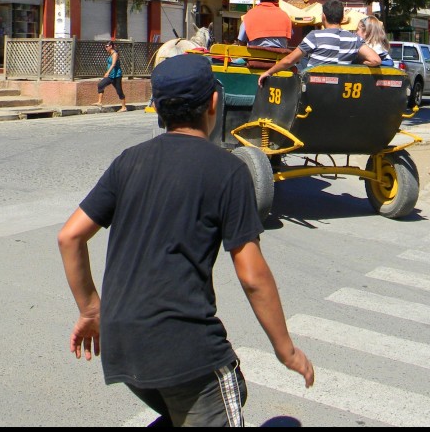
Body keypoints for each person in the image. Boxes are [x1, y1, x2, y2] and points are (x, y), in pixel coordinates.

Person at [58, 54, 314, 426]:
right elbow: (253, 276)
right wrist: (286, 350)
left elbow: (70, 236)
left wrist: (91, 309)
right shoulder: (228, 170)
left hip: (123, 346)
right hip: (186, 348)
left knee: (218, 396)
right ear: (214, 103)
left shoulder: (128, 162)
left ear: (158, 109)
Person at [257, 0, 381, 87]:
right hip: (340, 88)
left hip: (313, 88)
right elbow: (375, 60)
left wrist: (269, 72)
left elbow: (290, 60)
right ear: (342, 17)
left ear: (323, 16)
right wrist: (355, 63)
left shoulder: (315, 36)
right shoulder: (354, 39)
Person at [95, 41, 128, 112]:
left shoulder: (115, 54)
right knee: (100, 84)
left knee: (119, 91)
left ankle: (124, 107)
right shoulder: (110, 54)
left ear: (111, 46)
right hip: (110, 76)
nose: (106, 48)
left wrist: (107, 72)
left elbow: (113, 64)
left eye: (107, 46)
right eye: (105, 46)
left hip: (116, 76)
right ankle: (100, 102)